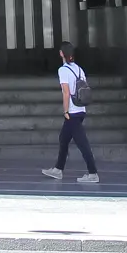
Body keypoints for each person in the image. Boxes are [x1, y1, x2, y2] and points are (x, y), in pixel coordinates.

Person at [42, 42, 100, 183]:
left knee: (82, 143)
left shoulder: (63, 70)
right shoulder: (79, 69)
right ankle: (58, 169)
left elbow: (66, 92)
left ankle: (93, 173)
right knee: (63, 138)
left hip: (72, 112)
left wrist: (65, 110)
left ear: (62, 54)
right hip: (81, 109)